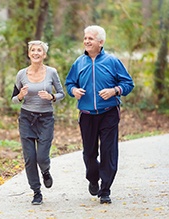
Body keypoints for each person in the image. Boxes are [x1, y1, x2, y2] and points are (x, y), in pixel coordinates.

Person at [65, 25, 134, 204]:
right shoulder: (79, 62)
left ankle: (105, 190)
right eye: (85, 38)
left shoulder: (112, 61)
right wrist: (74, 91)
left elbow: (128, 83)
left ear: (100, 42)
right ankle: (93, 178)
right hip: (87, 114)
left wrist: (114, 90)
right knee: (89, 153)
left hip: (109, 112)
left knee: (108, 151)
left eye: (91, 38)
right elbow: (69, 83)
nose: (87, 41)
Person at [11, 40, 65, 205]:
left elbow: (62, 93)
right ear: (29, 54)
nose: (35, 53)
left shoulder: (51, 72)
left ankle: (46, 171)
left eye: (39, 50)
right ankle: (36, 192)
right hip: (27, 118)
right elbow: (13, 100)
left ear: (44, 54)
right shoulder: (21, 74)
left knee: (42, 157)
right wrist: (20, 96)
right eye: (33, 50)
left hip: (46, 119)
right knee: (29, 157)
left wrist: (52, 97)